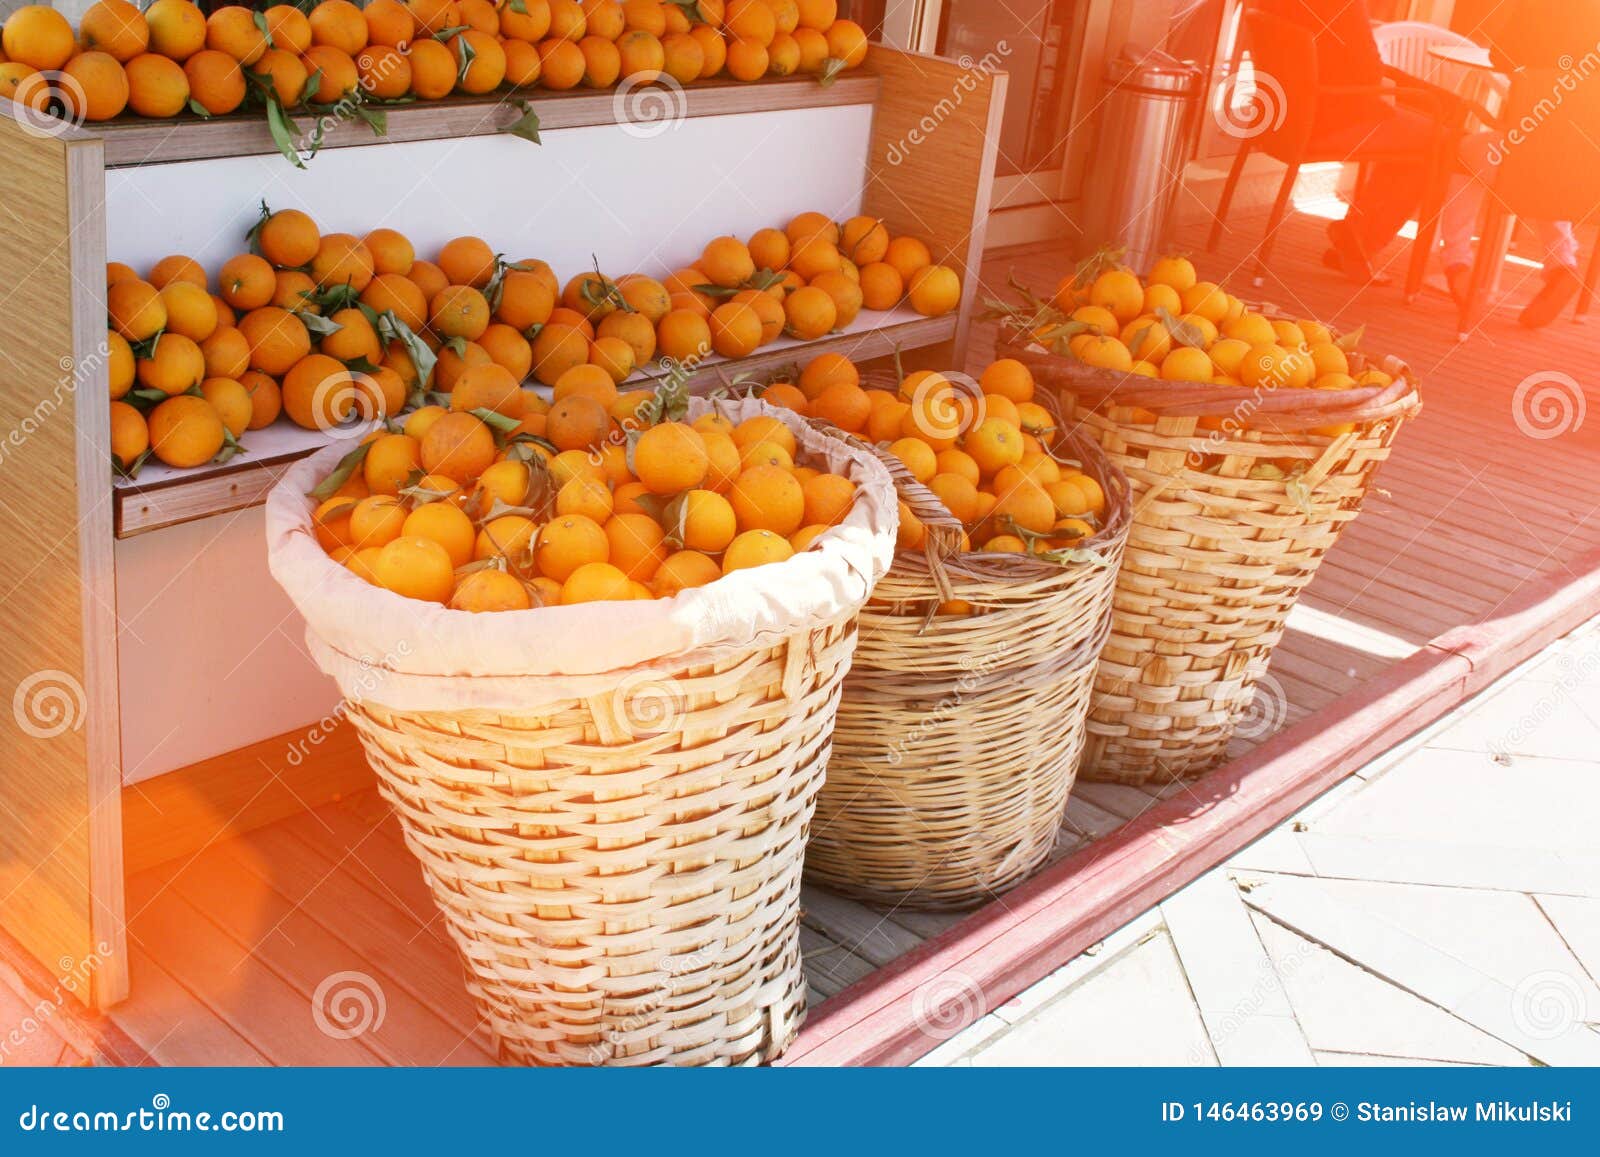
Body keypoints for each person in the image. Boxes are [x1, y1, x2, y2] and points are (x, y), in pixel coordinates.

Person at [1257, 0, 1449, 282]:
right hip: (1329, 118)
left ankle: (1358, 233)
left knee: (1409, 132)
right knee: (1441, 139)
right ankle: (1363, 242)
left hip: (1276, 119)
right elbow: (1368, 72)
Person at [1436, 1, 1600, 327]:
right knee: (1552, 163)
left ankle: (1457, 264)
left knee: (1462, 151)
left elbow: (1499, 56)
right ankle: (1562, 264)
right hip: (1586, 174)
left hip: (1523, 159)